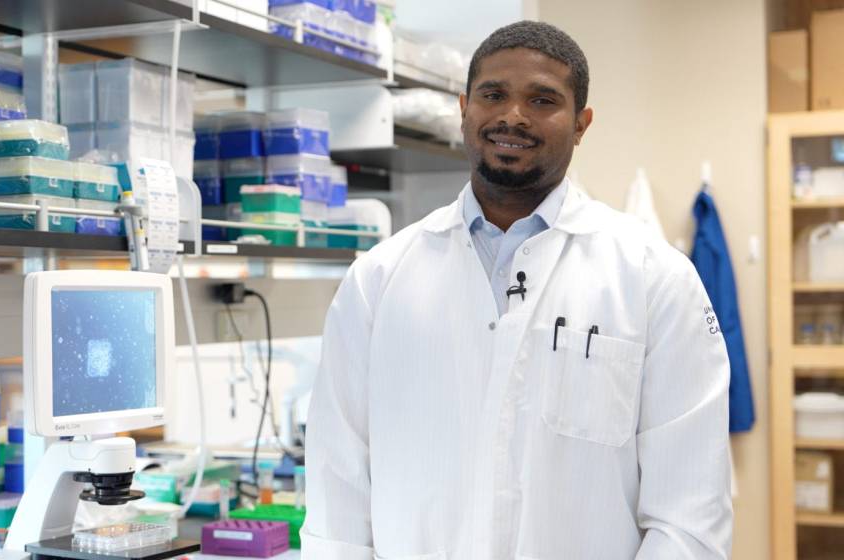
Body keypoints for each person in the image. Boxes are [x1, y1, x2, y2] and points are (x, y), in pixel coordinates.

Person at [302, 20, 732, 560]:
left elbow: (689, 518)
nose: (512, 115)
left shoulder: (654, 279)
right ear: (464, 109)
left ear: (581, 124)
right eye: (493, 95)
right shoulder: (379, 279)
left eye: (543, 100)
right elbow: (336, 483)